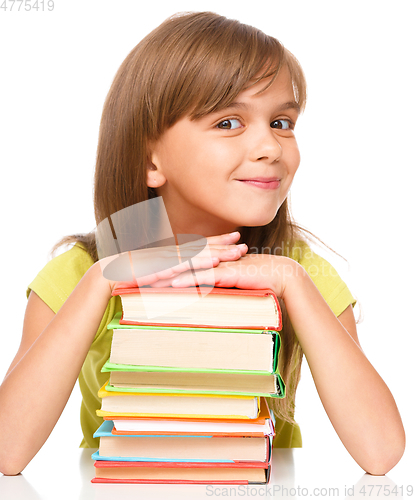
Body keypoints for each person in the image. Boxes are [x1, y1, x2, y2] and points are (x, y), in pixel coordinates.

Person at [0, 11, 405, 476]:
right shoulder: (78, 272)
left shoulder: (301, 270)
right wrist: (100, 283)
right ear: (151, 159)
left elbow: (381, 453)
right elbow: (8, 452)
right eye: (229, 122)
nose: (271, 147)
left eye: (282, 121)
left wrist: (292, 283)